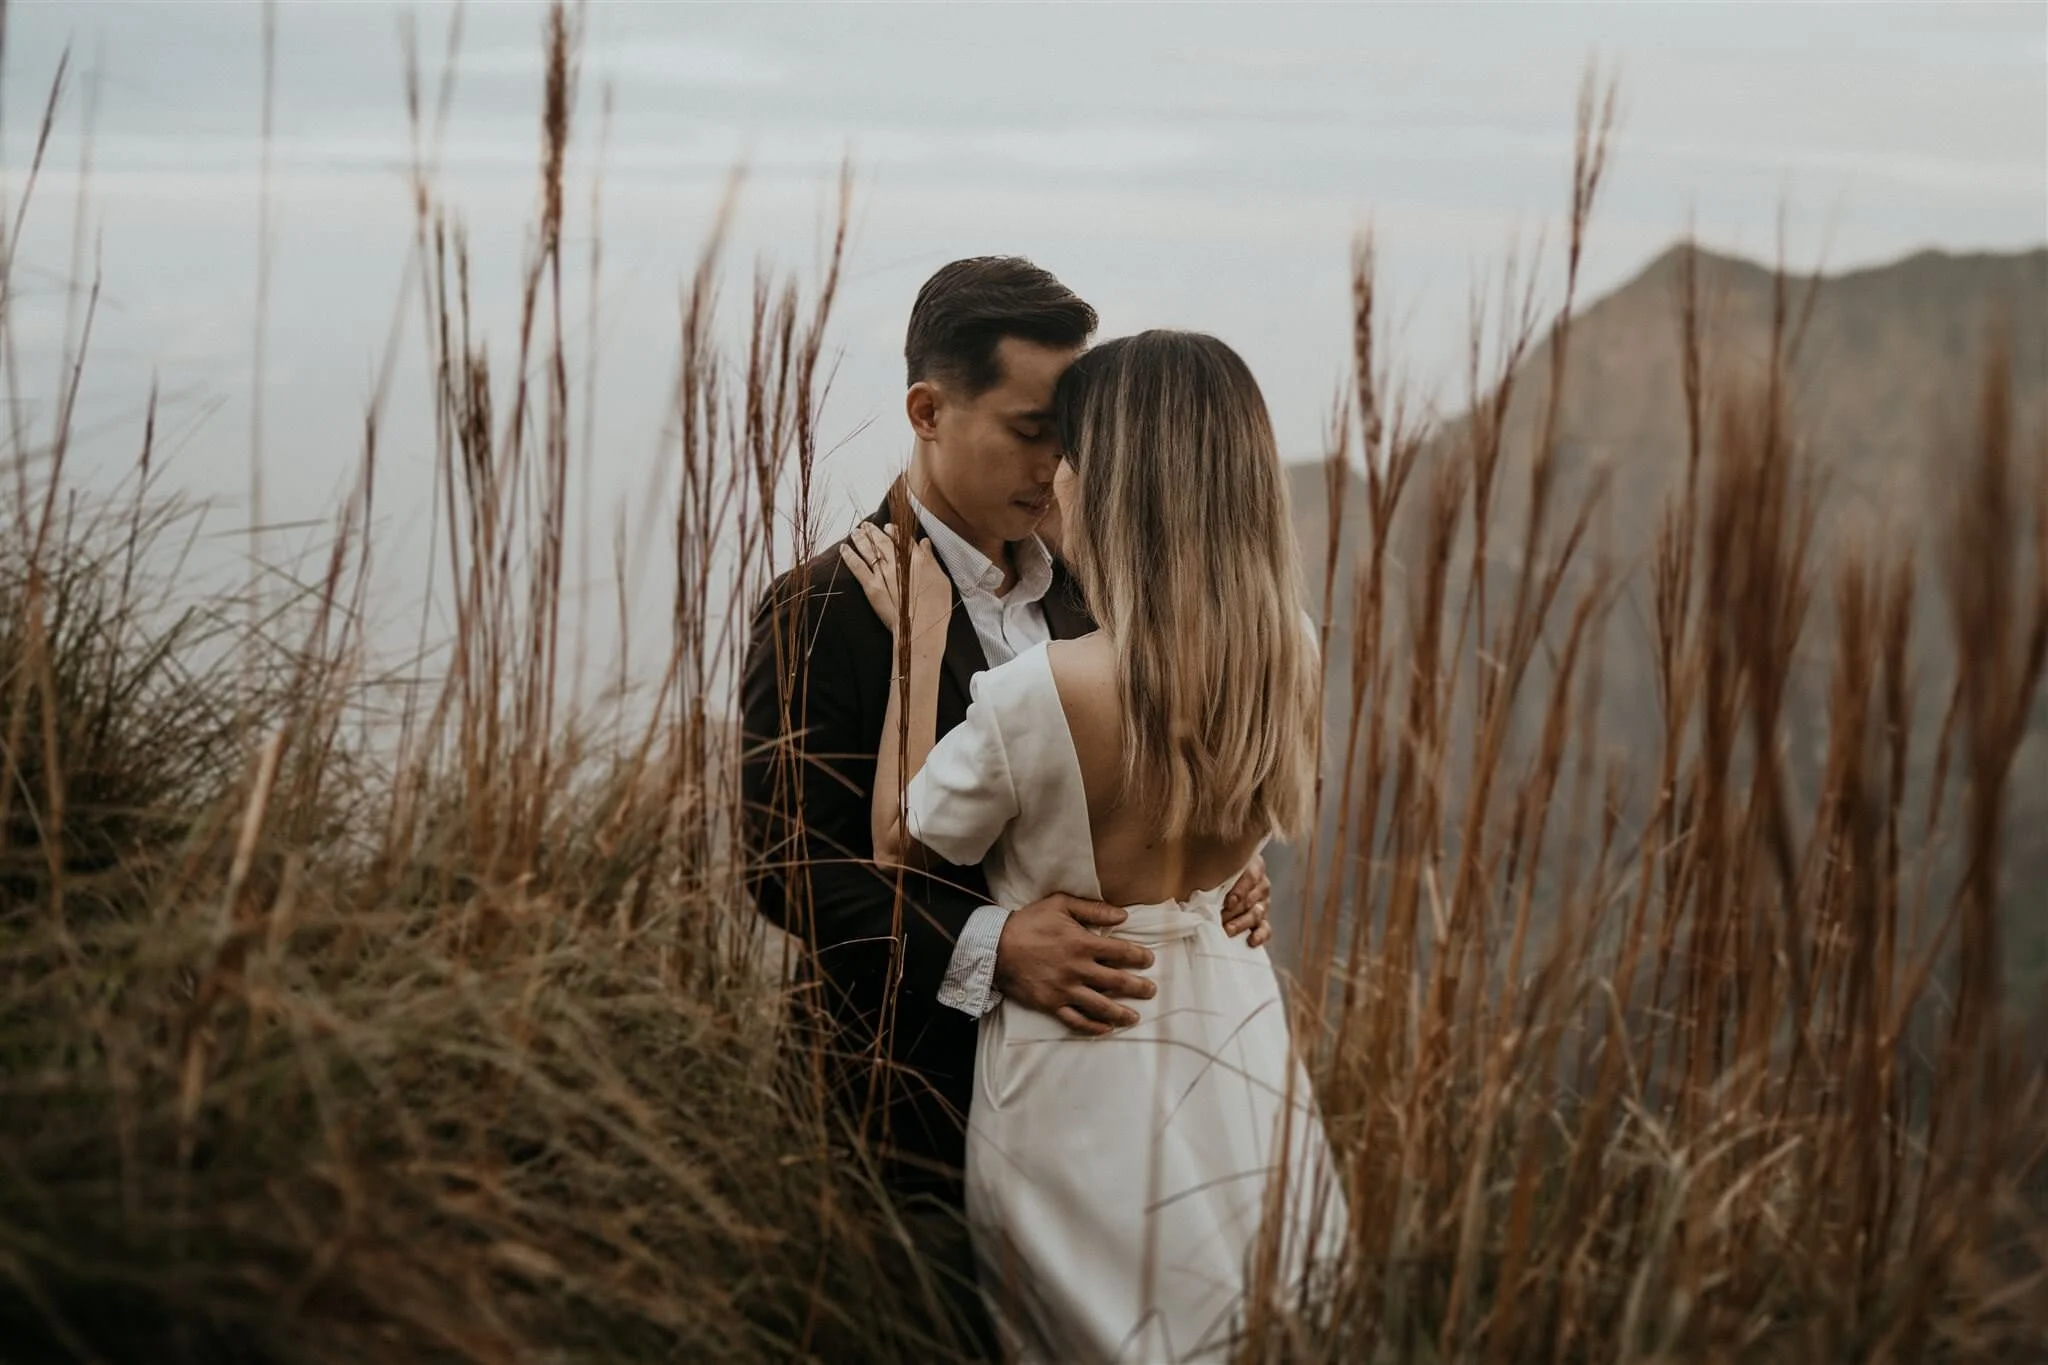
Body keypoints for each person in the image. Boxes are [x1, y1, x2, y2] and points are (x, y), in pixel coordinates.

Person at [739, 264, 1275, 1349]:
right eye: (1032, 430)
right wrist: (992, 945)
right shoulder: (823, 608)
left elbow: (1158, 773)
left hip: (1134, 1110)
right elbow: (784, 864)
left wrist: (1224, 869)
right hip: (914, 1111)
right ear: (927, 413)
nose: (1058, 464)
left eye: (1068, 435)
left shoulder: (1101, 585)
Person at [838, 329, 1348, 1362]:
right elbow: (1215, 815)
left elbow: (904, 839)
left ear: (1113, 479)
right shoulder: (1286, 645)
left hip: (1078, 1065)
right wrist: (1228, 877)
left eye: (1070, 451)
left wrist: (917, 645)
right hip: (1238, 1046)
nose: (1053, 474)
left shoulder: (1043, 691)